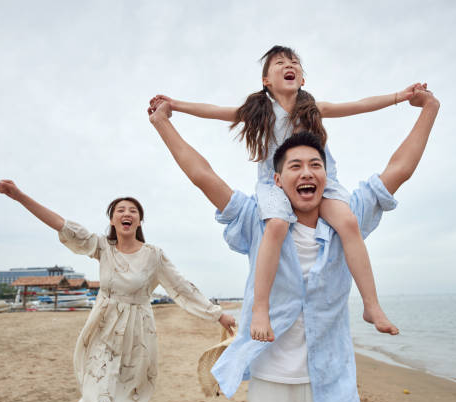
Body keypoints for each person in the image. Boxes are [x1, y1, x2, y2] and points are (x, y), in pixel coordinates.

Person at [148, 83, 439, 402]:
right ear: (277, 179)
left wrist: (429, 109)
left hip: (333, 383)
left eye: (316, 165)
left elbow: (401, 169)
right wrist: (163, 122)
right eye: (295, 166)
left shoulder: (347, 218)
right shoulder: (257, 220)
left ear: (326, 177)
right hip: (272, 380)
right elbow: (202, 174)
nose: (307, 173)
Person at [150, 45, 418, 341]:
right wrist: (175, 105)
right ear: (266, 81)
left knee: (349, 223)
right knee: (276, 225)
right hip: (273, 183)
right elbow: (215, 111)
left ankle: (371, 305)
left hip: (321, 181)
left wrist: (399, 97)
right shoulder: (258, 111)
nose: (289, 65)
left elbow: (357, 105)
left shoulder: (312, 109)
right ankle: (260, 308)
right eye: (279, 63)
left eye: (294, 63)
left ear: (302, 79)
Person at [0, 180, 236, 402]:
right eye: (120, 210)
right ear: (112, 220)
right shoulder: (102, 247)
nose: (127, 214)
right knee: (99, 391)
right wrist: (20, 196)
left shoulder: (154, 255)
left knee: (128, 396)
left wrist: (217, 314)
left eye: (133, 211)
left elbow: (181, 287)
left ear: (140, 221)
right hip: (103, 327)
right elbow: (63, 225)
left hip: (138, 333)